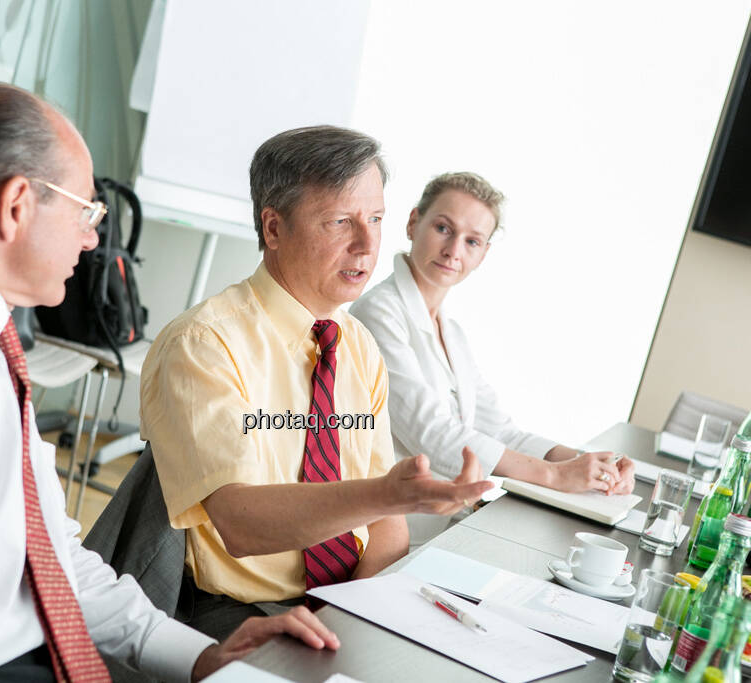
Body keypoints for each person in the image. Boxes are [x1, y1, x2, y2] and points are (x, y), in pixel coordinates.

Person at [0, 82, 338, 683]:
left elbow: (51, 558)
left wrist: (202, 657)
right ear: (15, 206)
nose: (92, 239)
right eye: (86, 210)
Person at [140, 127, 492, 640]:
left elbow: (386, 528)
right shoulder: (203, 344)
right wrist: (385, 496)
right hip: (238, 613)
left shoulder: (357, 345)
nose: (368, 244)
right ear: (274, 228)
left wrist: (350, 618)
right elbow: (240, 523)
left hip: (342, 601)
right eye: (339, 222)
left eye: (375, 219)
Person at [350, 172, 635, 544]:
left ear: (483, 254)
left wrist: (595, 464)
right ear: (413, 222)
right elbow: (431, 433)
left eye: (472, 241)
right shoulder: (378, 314)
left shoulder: (452, 334)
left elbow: (502, 431)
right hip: (386, 534)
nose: (454, 250)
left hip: (440, 526)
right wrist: (554, 476)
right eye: (442, 228)